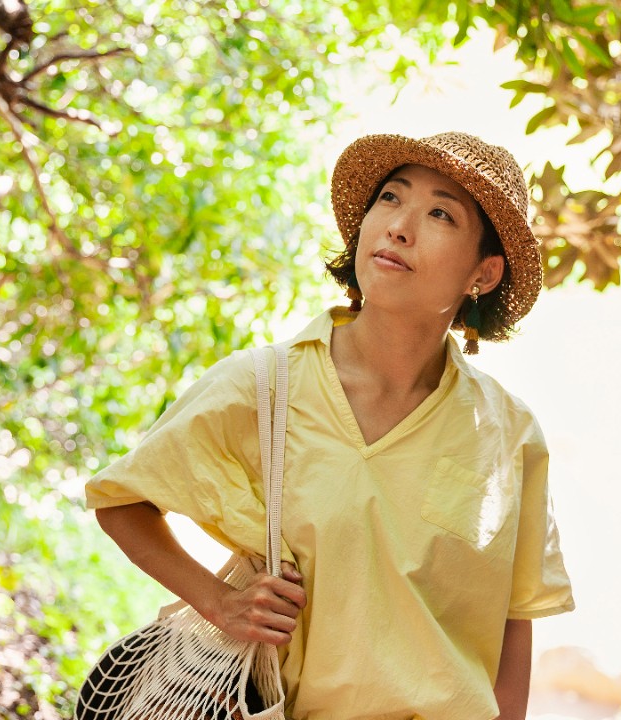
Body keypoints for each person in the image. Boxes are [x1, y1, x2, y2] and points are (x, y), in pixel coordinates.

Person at [85, 131, 574, 719]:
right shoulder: (266, 386)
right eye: (390, 199)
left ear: (484, 274)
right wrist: (222, 602)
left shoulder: (509, 435)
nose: (398, 226)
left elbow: (512, 622)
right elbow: (122, 501)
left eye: (440, 213)